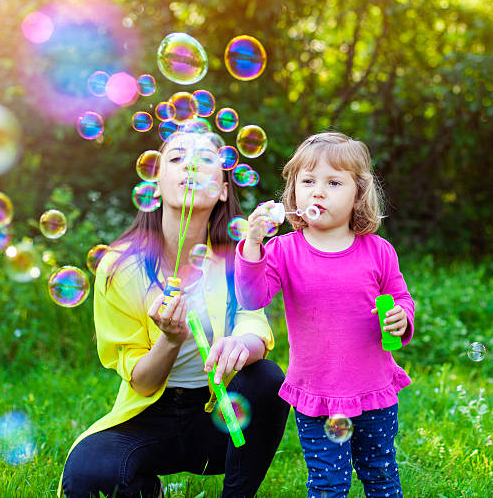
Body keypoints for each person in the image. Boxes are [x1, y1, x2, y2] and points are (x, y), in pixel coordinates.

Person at [59, 131, 290, 498]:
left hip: (222, 415)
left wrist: (243, 343)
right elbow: (142, 381)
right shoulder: (120, 268)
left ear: (225, 189)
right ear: (156, 184)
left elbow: (253, 321)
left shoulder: (238, 257)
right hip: (150, 416)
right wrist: (169, 340)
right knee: (86, 476)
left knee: (265, 378)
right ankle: (144, 487)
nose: (192, 166)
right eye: (178, 158)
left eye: (206, 160)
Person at [234, 131, 415, 498]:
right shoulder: (283, 250)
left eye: (333, 182)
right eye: (308, 181)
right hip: (316, 396)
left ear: (358, 194)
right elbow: (252, 297)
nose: (318, 191)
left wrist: (401, 316)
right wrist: (253, 245)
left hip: (373, 393)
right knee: (327, 484)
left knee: (381, 476)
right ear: (294, 191)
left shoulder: (378, 251)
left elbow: (399, 297)